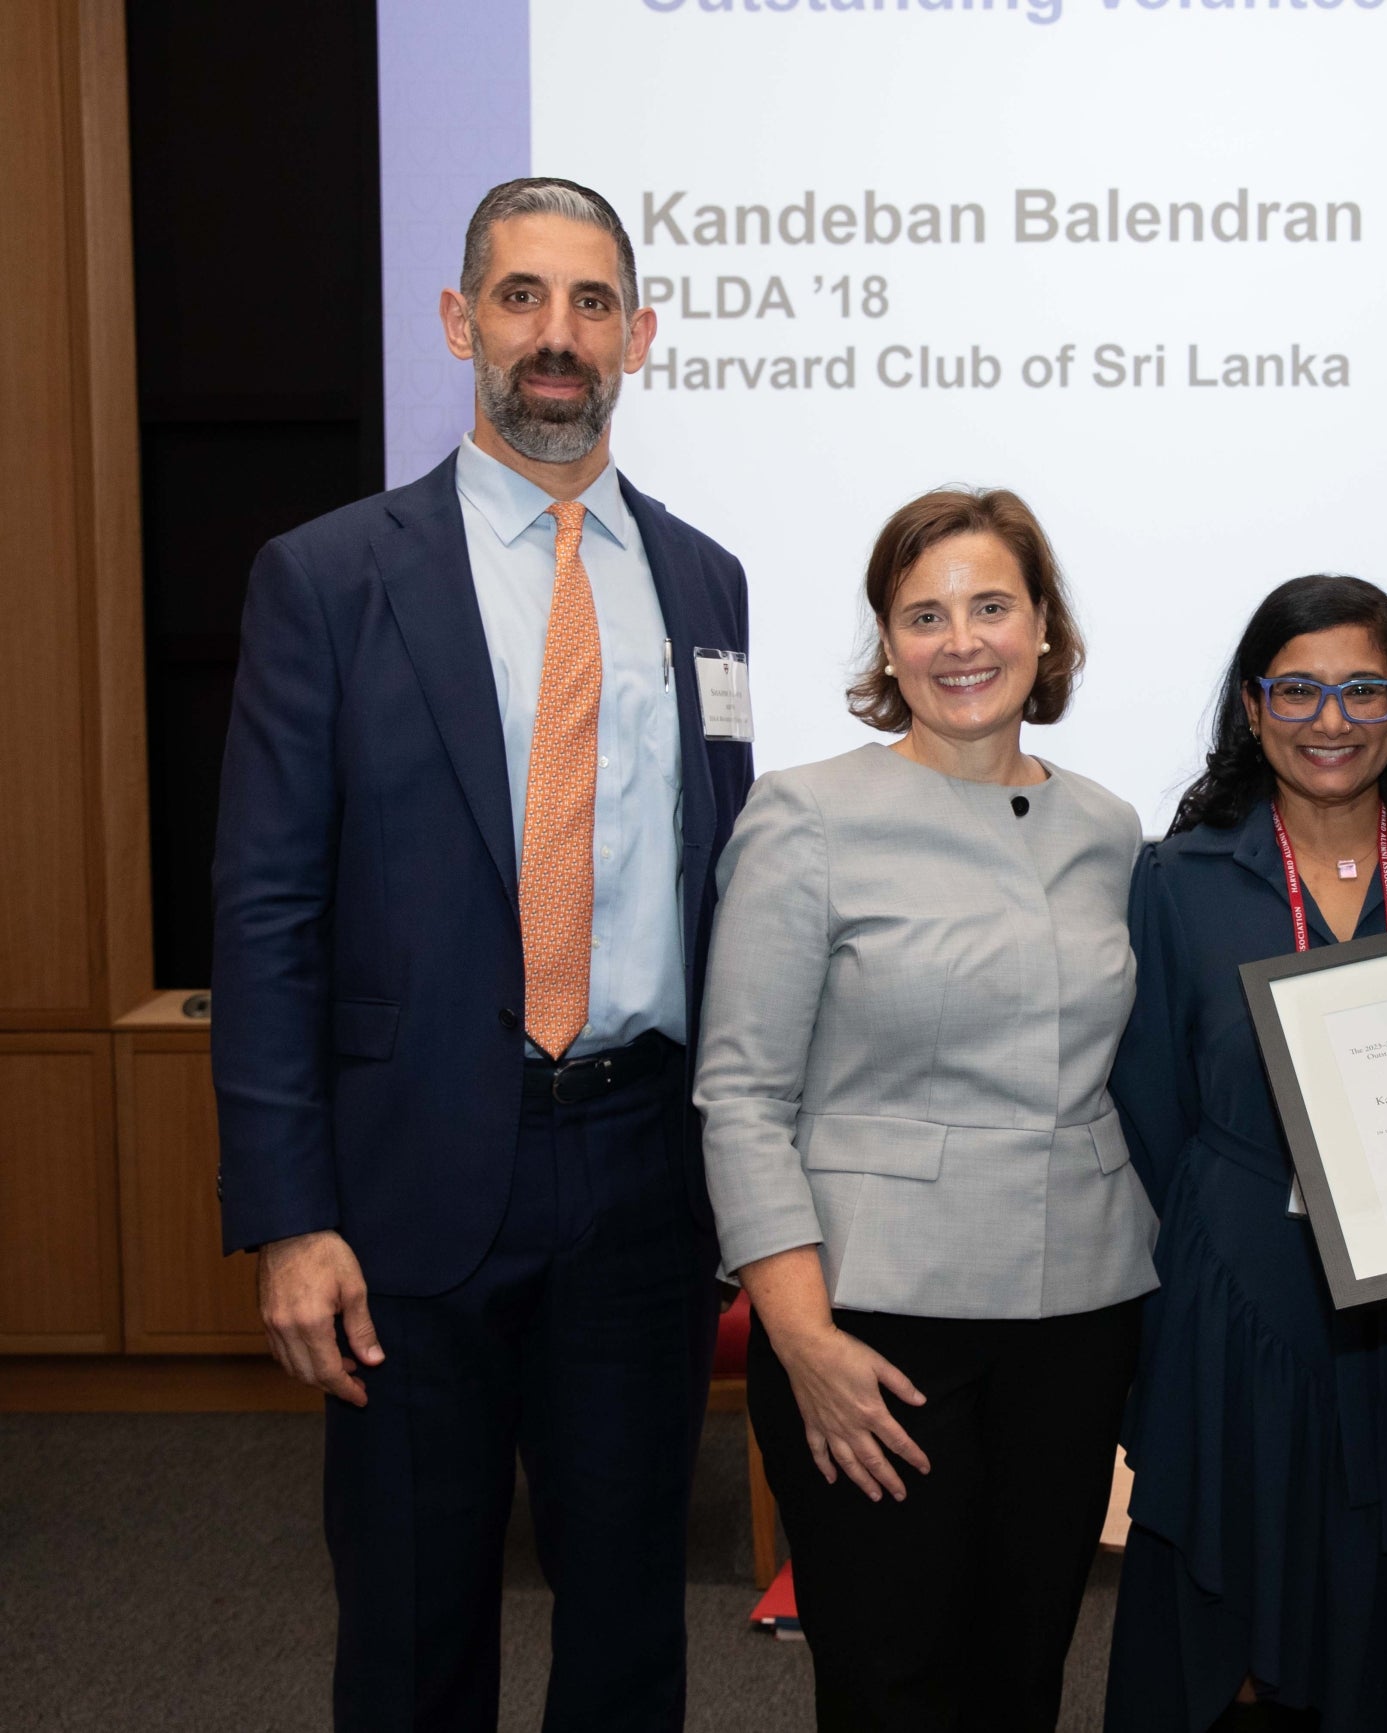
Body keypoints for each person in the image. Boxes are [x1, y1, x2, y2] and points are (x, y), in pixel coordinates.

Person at [211, 178, 753, 1728]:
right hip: (407, 1186)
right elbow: (262, 914)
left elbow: (712, 874)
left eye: (591, 304)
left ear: (638, 335)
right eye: (522, 299)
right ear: (461, 323)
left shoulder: (705, 582)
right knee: (409, 1620)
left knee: (632, 1620)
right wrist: (287, 1214)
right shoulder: (329, 579)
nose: (556, 337)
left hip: (645, 1172)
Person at [697, 487, 1157, 1730]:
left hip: (1076, 1317)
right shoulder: (806, 814)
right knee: (892, 1683)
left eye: (991, 605)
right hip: (871, 1329)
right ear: (886, 646)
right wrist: (796, 1340)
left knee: (1022, 1676)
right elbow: (740, 1095)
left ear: (1045, 628)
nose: (962, 640)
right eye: (924, 614)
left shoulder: (1108, 827)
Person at [1102, 576, 1387, 1733]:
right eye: (1297, 688)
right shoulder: (1179, 878)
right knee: (1243, 1625)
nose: (1329, 717)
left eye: (1362, 688)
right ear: (1251, 708)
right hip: (1241, 1303)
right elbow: (1149, 1106)